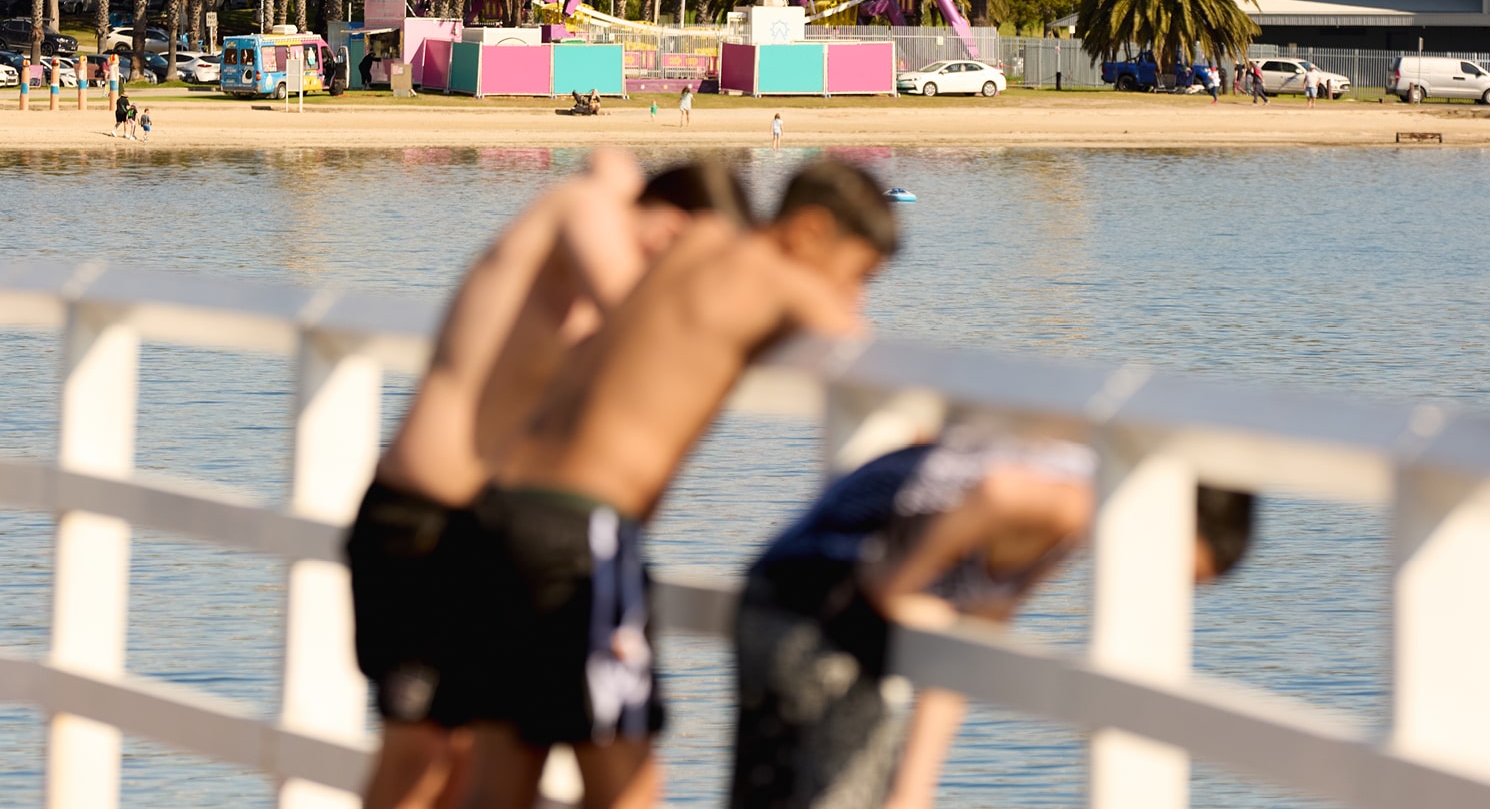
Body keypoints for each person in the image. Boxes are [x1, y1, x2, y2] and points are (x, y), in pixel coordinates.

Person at [453, 159, 900, 809]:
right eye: (856, 275)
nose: (855, 295)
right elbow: (853, 338)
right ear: (807, 231)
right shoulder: (775, 277)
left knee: (503, 779)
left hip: (503, 509)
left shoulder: (698, 244)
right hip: (578, 532)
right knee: (628, 786)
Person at [348, 153, 752, 809]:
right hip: (417, 516)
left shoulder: (601, 264)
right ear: (674, 225)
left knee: (469, 756)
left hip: (485, 529)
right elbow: (634, 299)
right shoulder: (582, 208)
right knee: (420, 749)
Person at [730, 427, 1256, 809]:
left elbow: (974, 637)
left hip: (790, 598)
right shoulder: (1076, 500)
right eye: (1172, 571)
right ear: (1164, 514)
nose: (1155, 589)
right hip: (817, 605)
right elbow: (998, 492)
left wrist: (915, 786)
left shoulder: (1063, 528)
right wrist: (900, 585)